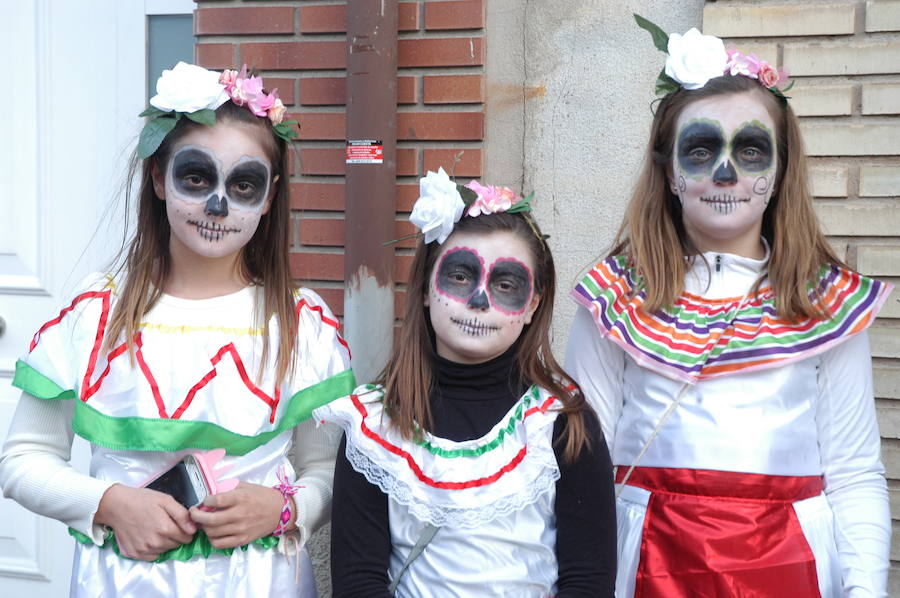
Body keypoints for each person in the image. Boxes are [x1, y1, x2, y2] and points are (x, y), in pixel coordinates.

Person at [0, 62, 355, 597]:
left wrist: (286, 509)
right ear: (158, 178)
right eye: (197, 177)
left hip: (259, 584)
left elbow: (327, 470)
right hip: (122, 583)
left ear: (270, 195)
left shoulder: (301, 327)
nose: (218, 205)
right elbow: (23, 458)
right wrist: (109, 503)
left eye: (243, 184)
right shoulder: (99, 316)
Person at [565, 19, 892, 598]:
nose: (725, 173)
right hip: (645, 566)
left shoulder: (825, 302)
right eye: (700, 149)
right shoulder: (615, 297)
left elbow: (854, 473)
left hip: (789, 569)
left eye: (749, 149)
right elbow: (583, 468)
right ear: (669, 172)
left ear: (780, 169)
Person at [316, 169, 616, 597]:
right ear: (424, 287)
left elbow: (588, 579)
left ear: (532, 305)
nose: (479, 301)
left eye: (506, 283)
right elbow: (358, 581)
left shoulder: (561, 422)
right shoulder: (375, 426)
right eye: (460, 275)